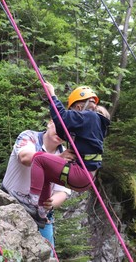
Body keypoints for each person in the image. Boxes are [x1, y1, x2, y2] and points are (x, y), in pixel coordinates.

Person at [12, 82, 110, 220]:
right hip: (86, 178)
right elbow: (63, 128)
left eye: (75, 111)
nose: (74, 115)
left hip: (80, 174)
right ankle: (41, 211)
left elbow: (63, 118)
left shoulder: (90, 116)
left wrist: (52, 95)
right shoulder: (93, 124)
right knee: (45, 171)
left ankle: (32, 201)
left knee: (39, 158)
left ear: (80, 107)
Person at [1, 120, 76, 250]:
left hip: (39, 214)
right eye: (59, 126)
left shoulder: (66, 156)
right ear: (50, 123)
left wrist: (51, 202)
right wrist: (58, 159)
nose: (61, 132)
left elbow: (62, 191)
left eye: (66, 131)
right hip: (8, 202)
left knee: (47, 254)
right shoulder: (29, 137)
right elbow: (25, 157)